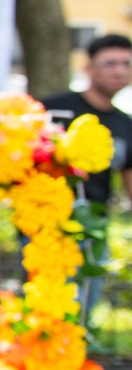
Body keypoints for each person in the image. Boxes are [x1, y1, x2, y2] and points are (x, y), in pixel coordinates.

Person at [43, 33, 132, 323]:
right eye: (109, 63)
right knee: (48, 309)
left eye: (126, 63)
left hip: (94, 228)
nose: (119, 70)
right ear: (89, 67)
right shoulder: (55, 110)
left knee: (83, 312)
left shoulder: (125, 124)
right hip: (48, 227)